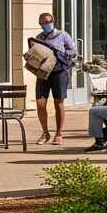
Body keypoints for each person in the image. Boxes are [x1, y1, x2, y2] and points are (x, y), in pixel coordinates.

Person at [33, 12, 76, 145]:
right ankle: (45, 132)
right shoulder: (39, 38)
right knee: (40, 103)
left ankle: (58, 134)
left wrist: (59, 54)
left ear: (53, 21)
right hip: (43, 72)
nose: (46, 25)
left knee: (59, 102)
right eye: (43, 23)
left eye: (48, 22)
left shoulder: (62, 35)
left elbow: (73, 51)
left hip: (59, 72)